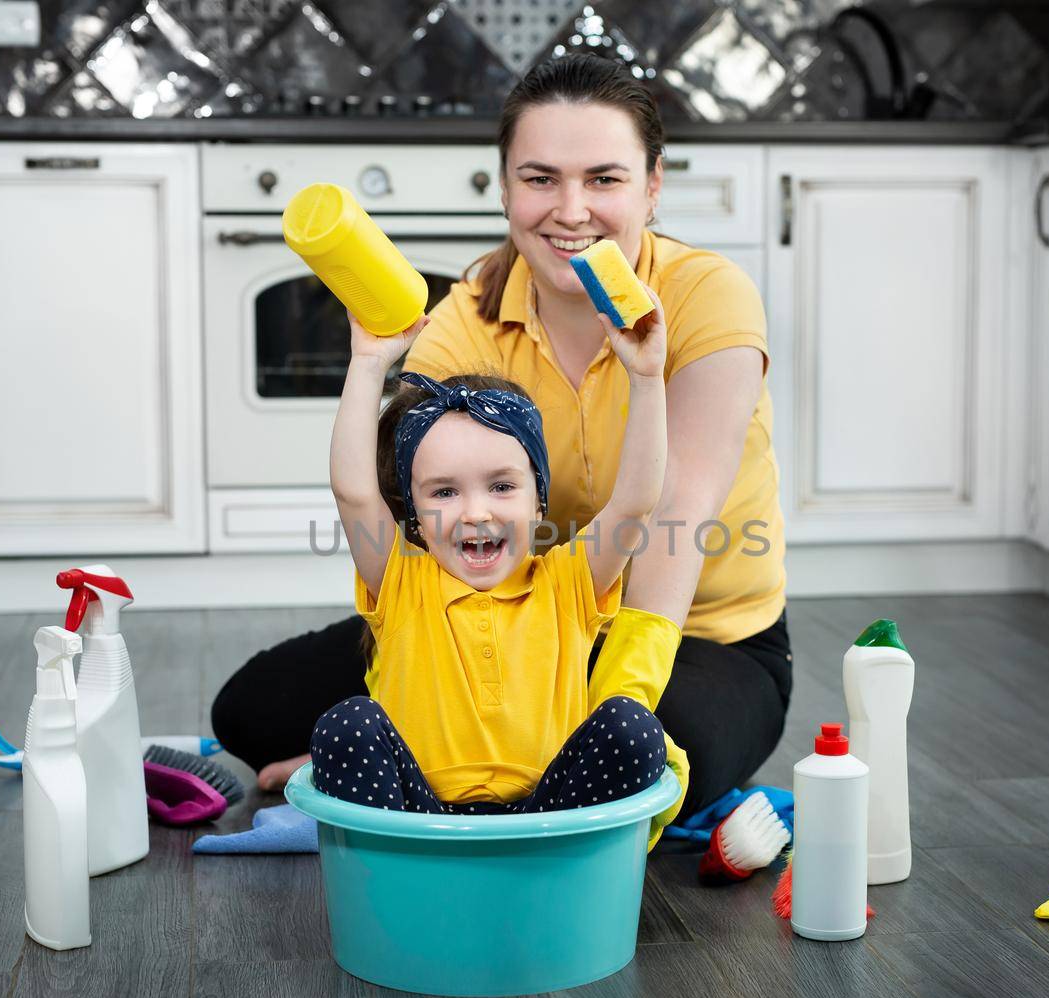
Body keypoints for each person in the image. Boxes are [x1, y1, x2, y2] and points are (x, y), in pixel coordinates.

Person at [213, 53, 791, 817]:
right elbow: (400, 508)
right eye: (541, 177)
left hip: (693, 634)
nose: (571, 209)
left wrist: (592, 709)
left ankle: (439, 784)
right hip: (502, 618)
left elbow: (669, 521)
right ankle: (449, 773)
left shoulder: (705, 300)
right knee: (249, 710)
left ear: (653, 187)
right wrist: (439, 699)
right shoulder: (466, 319)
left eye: (605, 179)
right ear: (506, 186)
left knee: (651, 745)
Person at [309, 277, 673, 816]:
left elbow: (635, 503)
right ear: (412, 517)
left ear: (539, 503)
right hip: (420, 821)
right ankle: (396, 887)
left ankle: (555, 886)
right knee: (346, 723)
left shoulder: (569, 582)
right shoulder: (402, 582)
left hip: (548, 819)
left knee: (633, 726)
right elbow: (354, 490)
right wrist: (367, 363)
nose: (476, 511)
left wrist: (645, 377)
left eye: (502, 487)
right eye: (445, 492)